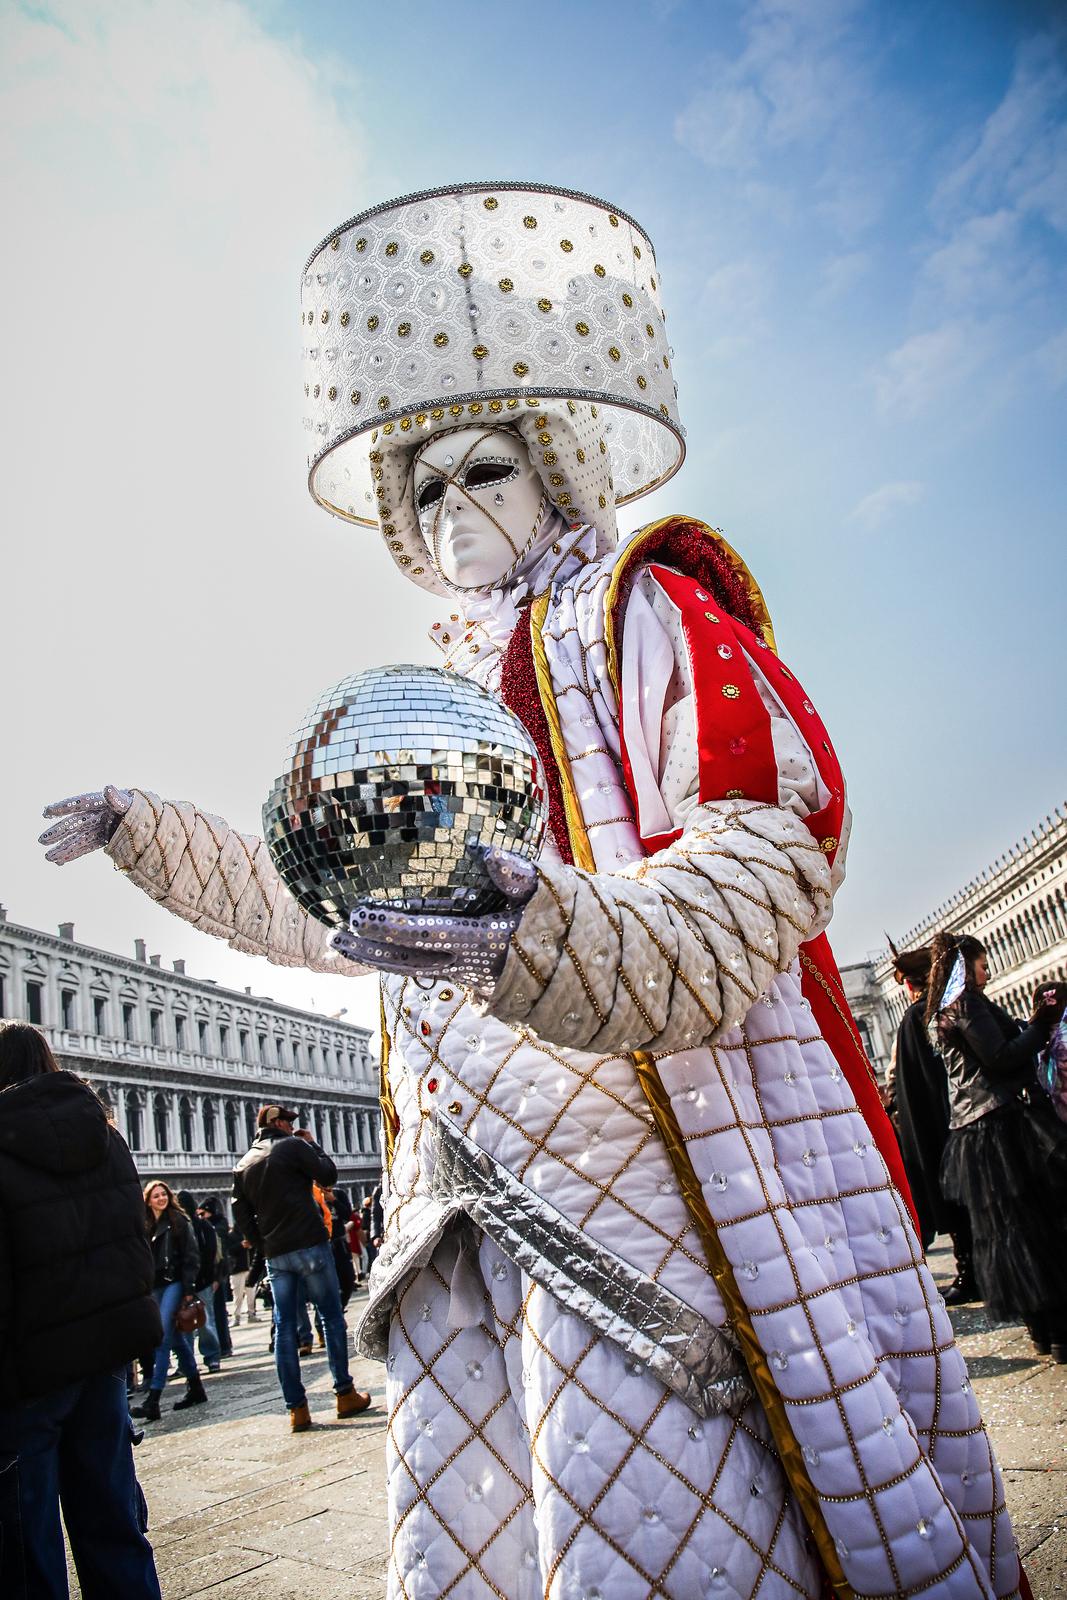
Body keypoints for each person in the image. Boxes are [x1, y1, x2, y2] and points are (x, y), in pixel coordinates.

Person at [37, 182, 1021, 1597]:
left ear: (552, 466)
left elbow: (763, 850)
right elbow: (342, 908)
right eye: (422, 488)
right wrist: (153, 832)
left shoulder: (640, 606)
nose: (452, 509)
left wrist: (541, 930)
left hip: (665, 1177)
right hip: (475, 1205)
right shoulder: (428, 693)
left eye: (482, 471)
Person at [0, 1023, 163, 1598]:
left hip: (29, 1370)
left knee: (27, 1540)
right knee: (114, 1520)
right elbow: (133, 1239)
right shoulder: (107, 1134)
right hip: (105, 1359)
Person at [930, 931, 1067, 1360]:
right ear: (966, 965)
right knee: (1036, 1225)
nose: (987, 972)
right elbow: (1001, 1056)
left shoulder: (943, 1008)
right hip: (1001, 1124)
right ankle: (1058, 1329)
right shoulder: (966, 1003)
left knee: (1013, 1232)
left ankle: (1045, 1330)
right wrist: (1043, 1026)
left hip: (977, 1126)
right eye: (982, 964)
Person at [232, 1106, 371, 1431]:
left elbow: (239, 1212)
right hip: (310, 1243)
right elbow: (328, 1175)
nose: (291, 1128)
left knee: (284, 1328)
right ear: (279, 1124)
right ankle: (344, 1393)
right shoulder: (293, 1146)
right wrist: (312, 1145)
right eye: (288, 1123)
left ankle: (297, 1409)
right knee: (331, 1317)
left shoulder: (243, 1164)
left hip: (276, 1254)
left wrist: (262, 1242)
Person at [888, 942, 976, 1301]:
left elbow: (915, 1088)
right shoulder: (951, 1010)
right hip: (966, 1119)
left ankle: (969, 1270)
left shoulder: (915, 1018)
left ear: (911, 985)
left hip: (944, 1127)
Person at [132, 1183, 206, 1419]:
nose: (161, 1198)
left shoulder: (178, 1220)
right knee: (175, 1339)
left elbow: (191, 1255)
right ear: (148, 1200)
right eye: (156, 1196)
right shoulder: (145, 1224)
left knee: (162, 1337)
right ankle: (196, 1387)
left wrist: (188, 1288)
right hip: (154, 1286)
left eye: (164, 1194)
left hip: (174, 1282)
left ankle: (153, 1399)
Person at [176, 1190, 223, 1372]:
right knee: (185, 1322)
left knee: (204, 1321)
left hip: (202, 1281)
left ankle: (211, 1357)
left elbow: (212, 1253)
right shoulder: (178, 1227)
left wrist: (212, 1277)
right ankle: (188, 1362)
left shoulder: (203, 1227)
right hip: (187, 1282)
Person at [198, 1196, 233, 1356]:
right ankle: (222, 1345)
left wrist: (217, 1277)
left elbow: (219, 1254)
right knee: (214, 1312)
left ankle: (224, 1346)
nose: (201, 1217)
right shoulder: (212, 1225)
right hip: (213, 1275)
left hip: (218, 1274)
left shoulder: (217, 1226)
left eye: (203, 1213)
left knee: (218, 1312)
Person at [226, 1224, 258, 1323]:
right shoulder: (231, 1236)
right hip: (237, 1269)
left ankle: (251, 1313)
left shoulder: (250, 1234)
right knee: (237, 1295)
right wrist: (240, 1245)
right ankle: (237, 1316)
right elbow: (228, 1251)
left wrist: (251, 1246)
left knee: (251, 1293)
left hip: (250, 1267)